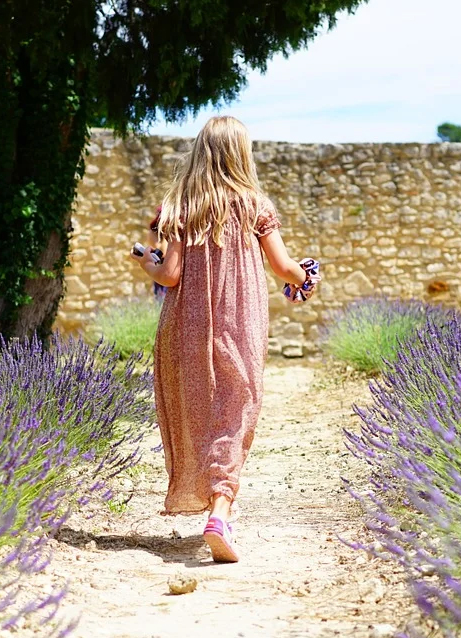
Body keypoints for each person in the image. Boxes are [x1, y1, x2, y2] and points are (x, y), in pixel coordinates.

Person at [129, 115, 320, 563]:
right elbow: (283, 268)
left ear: (200, 151)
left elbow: (171, 274)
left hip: (186, 322)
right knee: (236, 407)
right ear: (241, 153)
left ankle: (209, 495)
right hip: (241, 318)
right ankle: (220, 508)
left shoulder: (180, 204)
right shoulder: (255, 204)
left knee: (198, 407)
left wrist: (147, 264)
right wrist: (306, 278)